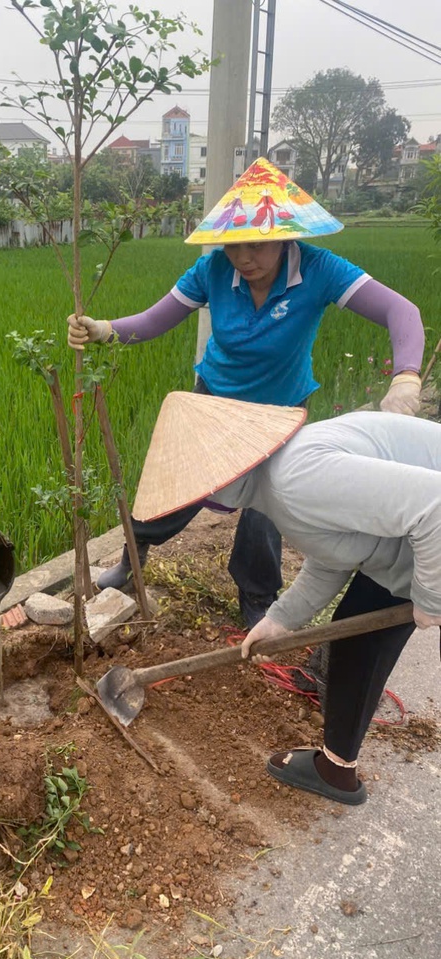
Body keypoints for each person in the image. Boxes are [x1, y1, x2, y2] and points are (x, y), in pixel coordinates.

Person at [67, 157, 425, 628]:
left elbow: (402, 312)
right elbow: (156, 320)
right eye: (234, 244)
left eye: (256, 243)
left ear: (286, 236)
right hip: (214, 398)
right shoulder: (212, 270)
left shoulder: (320, 269)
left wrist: (406, 377)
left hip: (279, 410)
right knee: (178, 482)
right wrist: (105, 329)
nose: (243, 257)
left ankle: (258, 595)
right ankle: (134, 556)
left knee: (269, 508)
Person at [132, 390, 441, 806]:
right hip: (411, 547)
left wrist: (431, 597)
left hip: (431, 537)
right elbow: (335, 554)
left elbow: (434, 507)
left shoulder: (298, 478)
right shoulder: (279, 484)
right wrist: (280, 620)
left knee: (362, 638)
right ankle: (336, 769)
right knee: (357, 640)